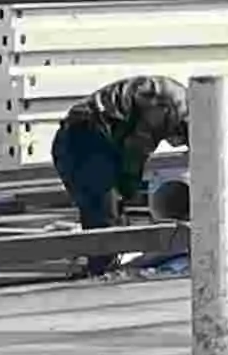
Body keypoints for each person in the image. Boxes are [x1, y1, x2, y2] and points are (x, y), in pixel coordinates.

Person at [50, 73, 189, 235]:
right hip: (89, 135)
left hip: (76, 136)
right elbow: (136, 148)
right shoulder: (171, 106)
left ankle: (106, 252)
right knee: (105, 220)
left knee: (102, 213)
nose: (175, 144)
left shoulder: (173, 99)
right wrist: (129, 188)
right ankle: (106, 254)